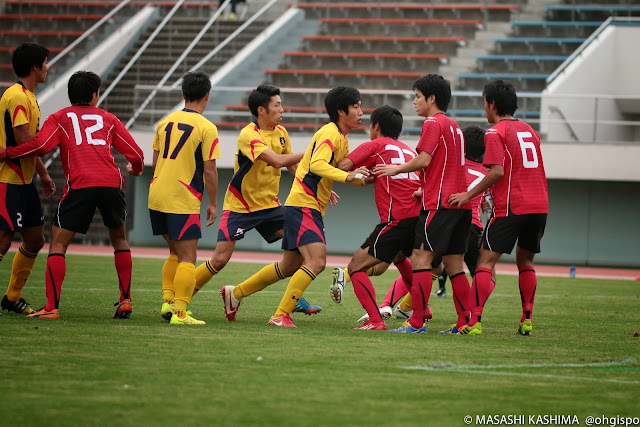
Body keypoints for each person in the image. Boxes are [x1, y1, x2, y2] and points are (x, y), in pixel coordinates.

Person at [221, 86, 369, 327]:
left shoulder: (340, 137)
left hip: (303, 205)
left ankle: (235, 294)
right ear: (341, 111)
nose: (361, 112)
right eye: (356, 107)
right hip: (303, 205)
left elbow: (329, 167)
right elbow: (317, 164)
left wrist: (355, 176)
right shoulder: (330, 134)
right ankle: (280, 315)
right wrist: (348, 177)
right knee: (317, 262)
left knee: (289, 266)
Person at [0, 71, 144, 318]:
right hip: (111, 183)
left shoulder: (60, 117)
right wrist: (137, 169)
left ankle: (51, 307)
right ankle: (125, 300)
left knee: (58, 243)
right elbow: (137, 155)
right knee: (120, 240)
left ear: (70, 95)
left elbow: (40, 147)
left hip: (80, 183)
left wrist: (6, 153)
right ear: (95, 95)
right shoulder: (109, 118)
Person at [190, 84, 320, 321]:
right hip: (240, 207)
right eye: (277, 105)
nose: (282, 109)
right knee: (220, 259)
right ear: (261, 110)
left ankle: (290, 298)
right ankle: (180, 299)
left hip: (270, 207)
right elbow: (277, 161)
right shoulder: (248, 135)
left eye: (281, 104)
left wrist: (313, 185)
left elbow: (292, 165)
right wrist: (313, 150)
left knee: (301, 246)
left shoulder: (281, 132)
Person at [374, 74, 472, 334]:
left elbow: (424, 159)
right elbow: (443, 165)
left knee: (420, 259)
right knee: (454, 266)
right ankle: (465, 322)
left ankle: (416, 322)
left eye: (418, 96)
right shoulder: (455, 126)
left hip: (439, 204)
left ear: (432, 98)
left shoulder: (432, 122)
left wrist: (395, 169)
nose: (414, 102)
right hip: (460, 205)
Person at [449, 80, 548, 336]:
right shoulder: (531, 131)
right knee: (525, 261)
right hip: (540, 205)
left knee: (485, 262)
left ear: (492, 105)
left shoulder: (495, 133)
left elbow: (496, 172)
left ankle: (474, 322)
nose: (484, 108)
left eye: (485, 103)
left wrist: (469, 194)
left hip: (512, 206)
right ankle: (527, 318)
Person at [334, 105, 421, 330]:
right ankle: (423, 310)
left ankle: (375, 320)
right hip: (419, 217)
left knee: (355, 267)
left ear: (376, 126)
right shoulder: (409, 151)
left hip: (398, 218)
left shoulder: (376, 145)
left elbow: (342, 166)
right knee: (400, 257)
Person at [149, 71, 220, 325]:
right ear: (207, 96)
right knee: (188, 257)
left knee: (174, 251)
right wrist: (213, 203)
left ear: (183, 94)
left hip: (157, 194)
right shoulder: (206, 127)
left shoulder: (165, 122)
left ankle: (168, 303)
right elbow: (210, 170)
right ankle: (180, 313)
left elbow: (155, 161)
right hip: (182, 197)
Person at [0, 42, 56, 315]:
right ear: (35, 66)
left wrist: (42, 173)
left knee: (34, 240)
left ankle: (12, 298)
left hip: (25, 181)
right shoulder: (17, 96)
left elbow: (28, 146)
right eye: (45, 62)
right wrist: (53, 138)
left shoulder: (29, 96)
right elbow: (25, 141)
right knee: (2, 238)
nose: (48, 67)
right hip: (7, 179)